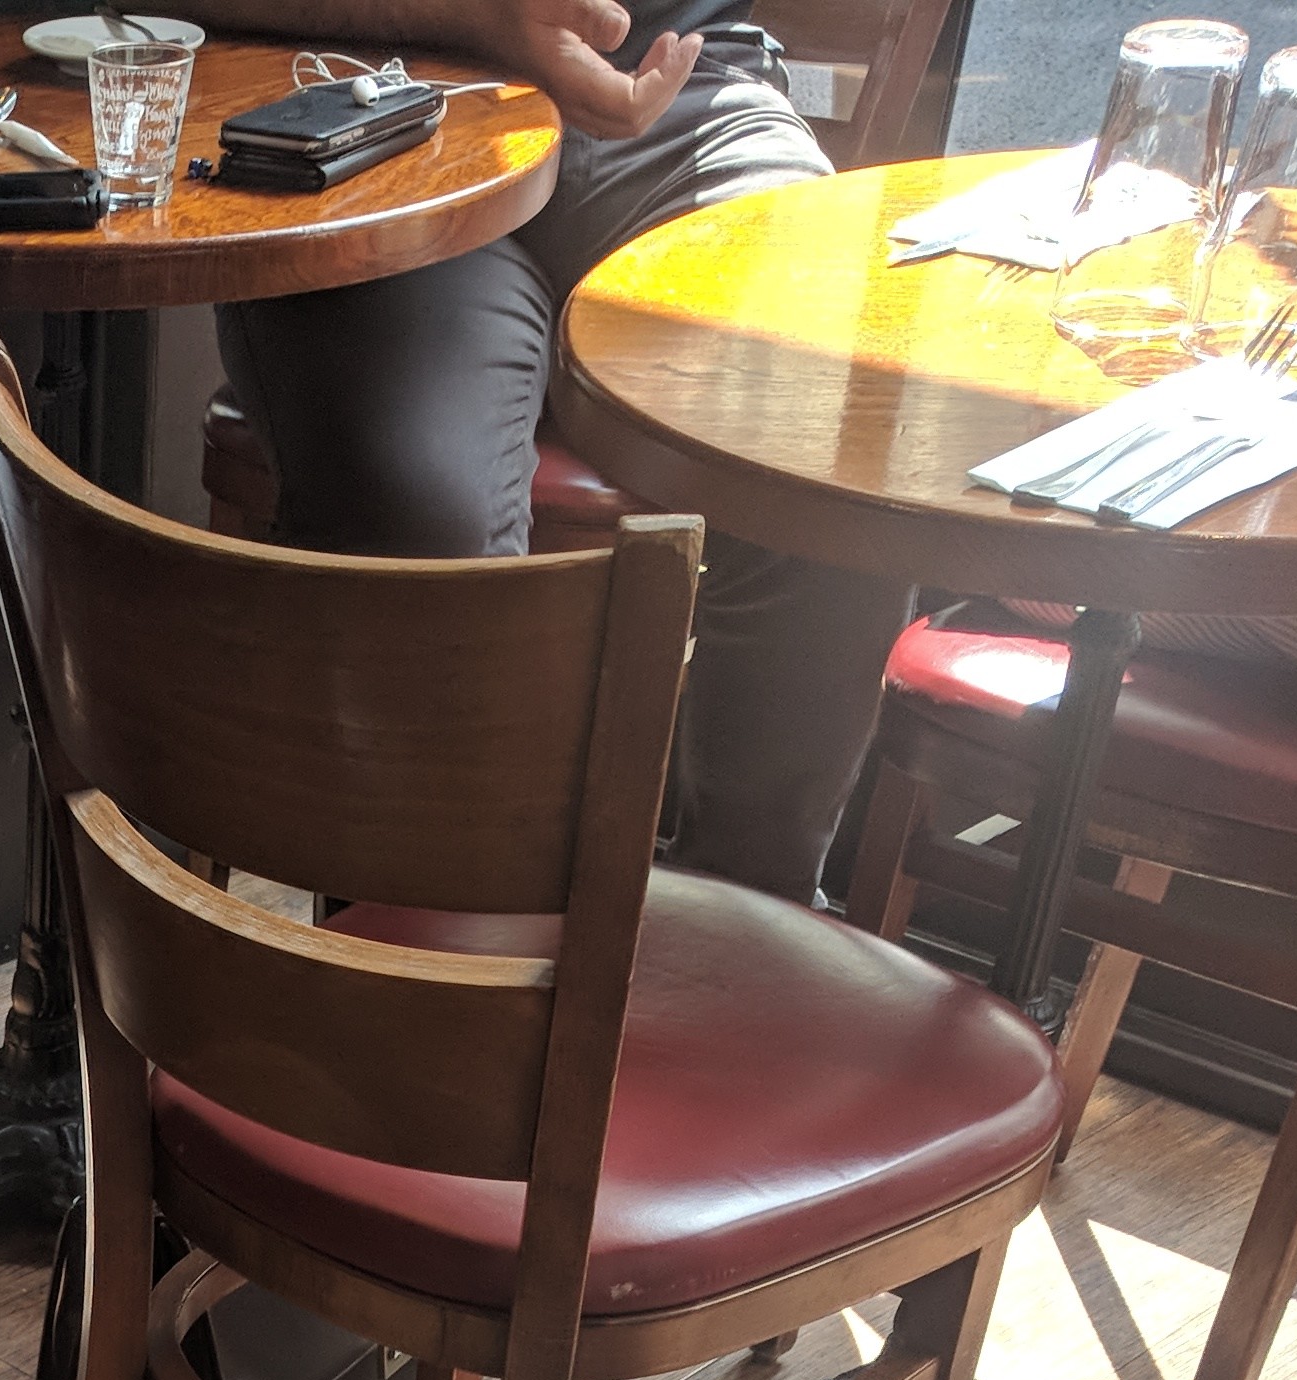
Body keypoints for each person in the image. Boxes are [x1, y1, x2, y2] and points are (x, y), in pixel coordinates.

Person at [204, 0, 915, 907]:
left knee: (835, 457)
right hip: (371, 106)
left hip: (685, 107)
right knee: (421, 511)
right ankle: (428, 954)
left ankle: (738, 939)